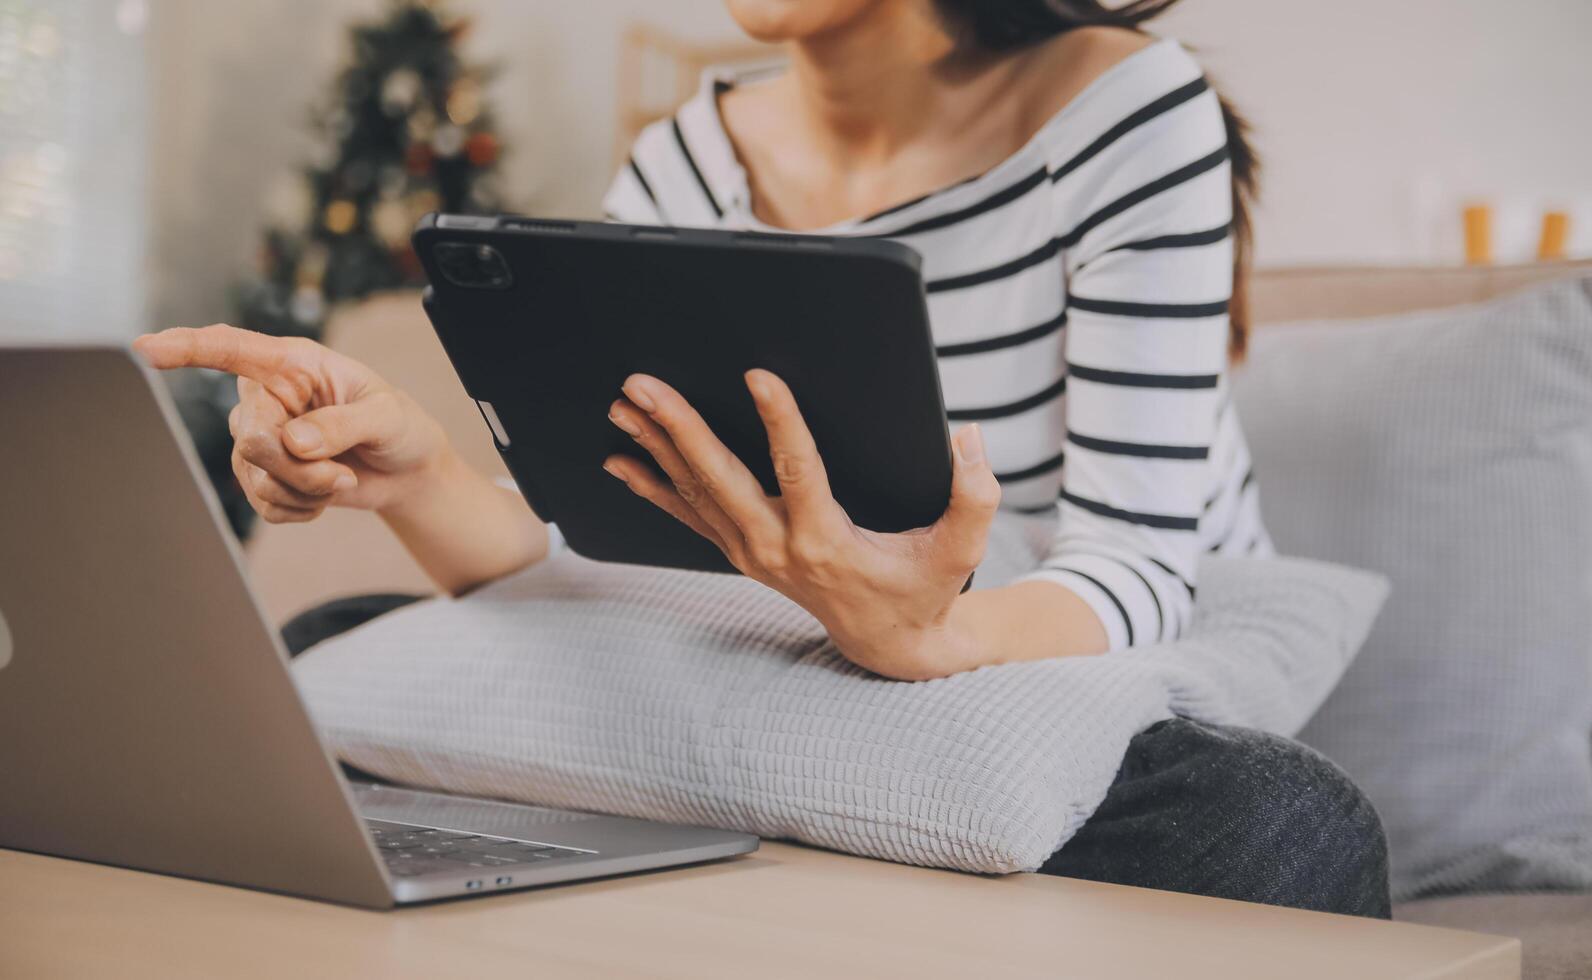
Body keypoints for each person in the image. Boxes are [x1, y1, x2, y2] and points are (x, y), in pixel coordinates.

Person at [136, 0, 1391, 916]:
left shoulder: (1130, 108)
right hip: (821, 658)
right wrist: (412, 470)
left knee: (1268, 828)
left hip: (1080, 664)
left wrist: (924, 637)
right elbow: (620, 548)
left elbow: (1139, 566)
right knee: (334, 637)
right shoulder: (682, 160)